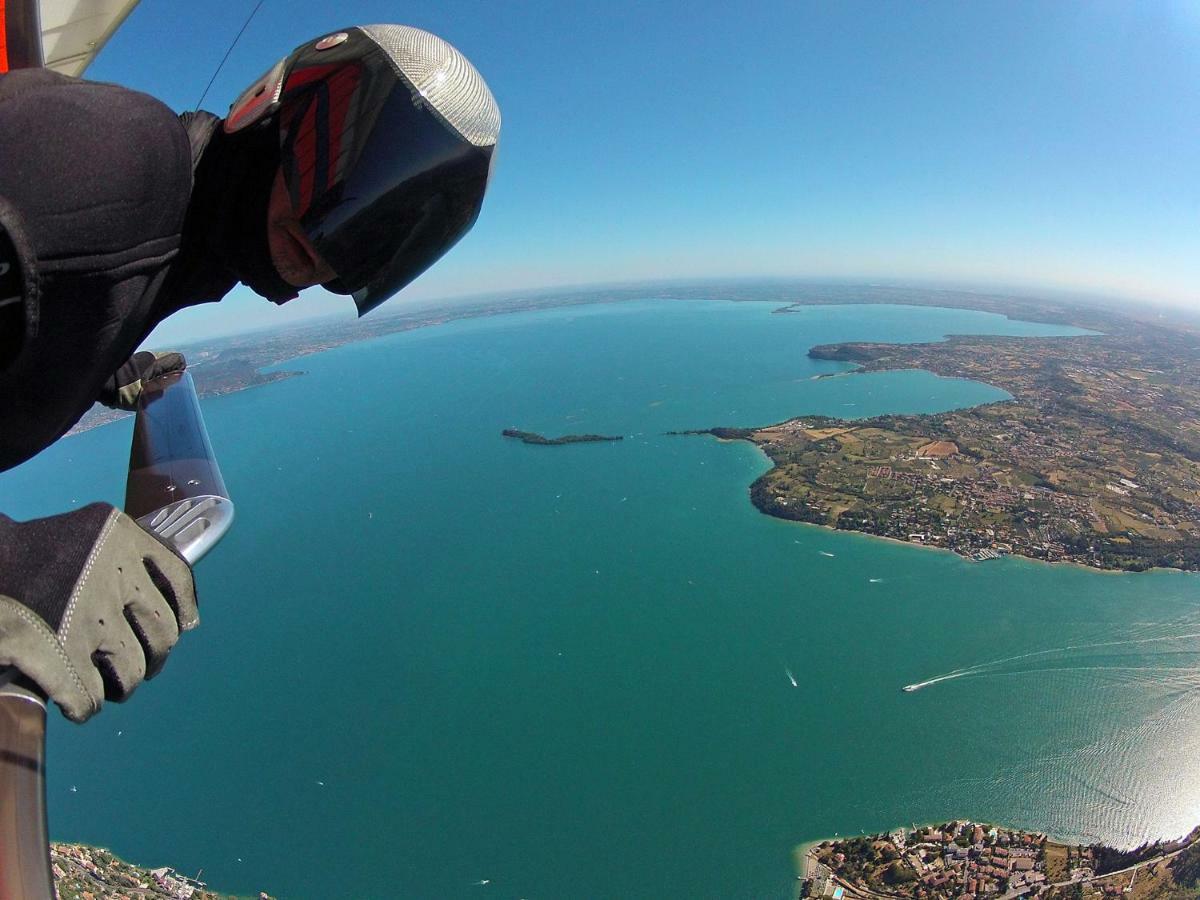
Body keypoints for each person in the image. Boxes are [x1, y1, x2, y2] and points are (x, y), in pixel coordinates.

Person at [0, 24, 501, 722]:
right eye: (344, 180)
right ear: (269, 105)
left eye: (376, 231)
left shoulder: (182, 238)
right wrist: (20, 567)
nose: (328, 248)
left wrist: (85, 355)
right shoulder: (104, 157)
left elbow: (50, 274)